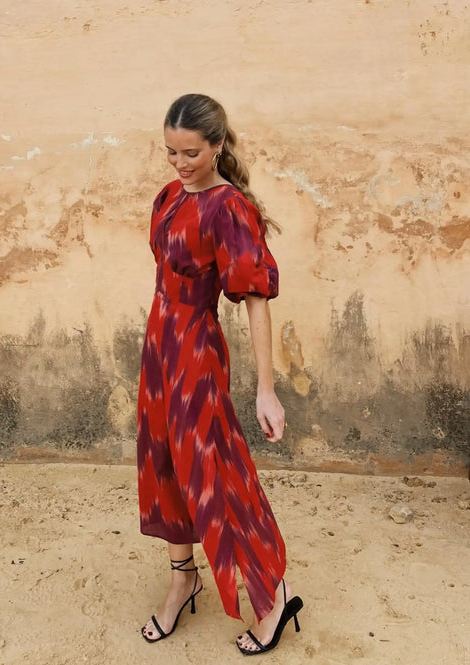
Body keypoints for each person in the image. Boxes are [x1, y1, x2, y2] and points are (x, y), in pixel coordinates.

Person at [137, 93, 303, 655]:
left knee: (215, 473)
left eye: (190, 153)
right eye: (170, 152)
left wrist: (266, 389)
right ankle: (183, 578)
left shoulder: (228, 208)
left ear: (218, 146)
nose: (180, 164)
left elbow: (255, 299)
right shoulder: (168, 197)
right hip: (158, 347)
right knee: (162, 462)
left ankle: (273, 595)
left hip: (195, 353)